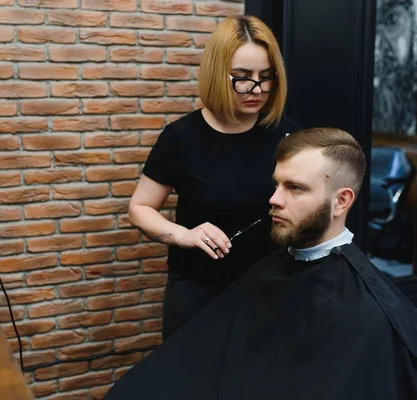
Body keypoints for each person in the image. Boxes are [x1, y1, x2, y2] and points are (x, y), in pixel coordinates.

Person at [106, 128, 417, 399]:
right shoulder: (268, 272)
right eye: (276, 184)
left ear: (341, 201)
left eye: (295, 188)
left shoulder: (367, 313)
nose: (273, 199)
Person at [128, 15, 299, 340]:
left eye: (266, 77)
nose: (257, 89)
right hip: (198, 294)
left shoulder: (287, 133)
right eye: (243, 78)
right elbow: (139, 208)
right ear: (217, 74)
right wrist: (183, 235)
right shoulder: (181, 138)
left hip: (269, 291)